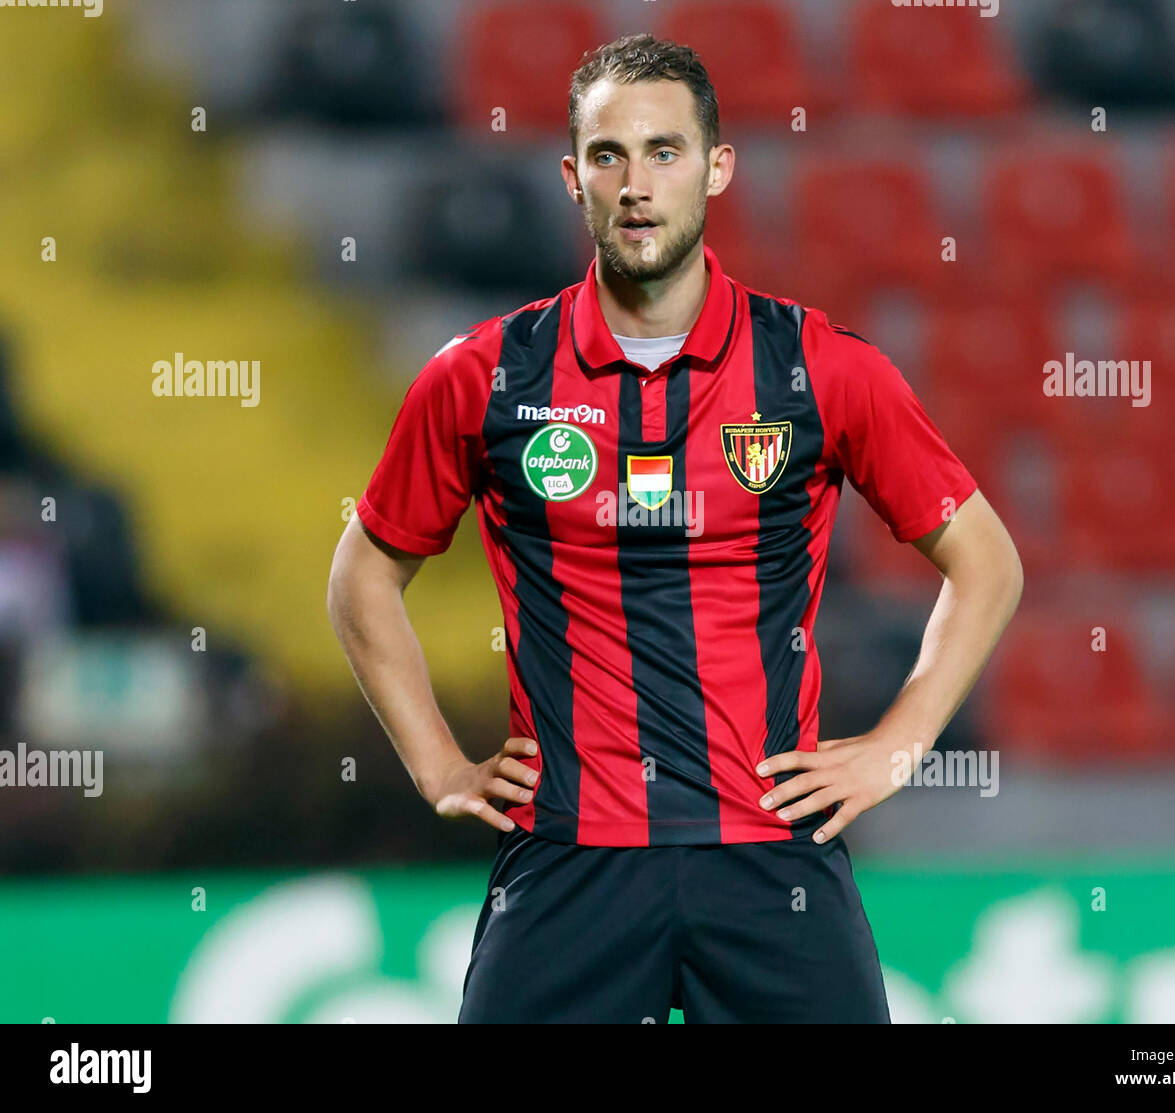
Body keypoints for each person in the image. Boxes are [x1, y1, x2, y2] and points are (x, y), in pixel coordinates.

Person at [327, 32, 1023, 1023]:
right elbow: (361, 576)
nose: (636, 184)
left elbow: (986, 563)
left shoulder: (819, 369)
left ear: (717, 167)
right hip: (567, 862)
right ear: (573, 178)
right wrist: (437, 763)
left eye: (665, 151)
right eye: (608, 155)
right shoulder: (483, 378)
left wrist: (899, 744)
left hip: (771, 858)